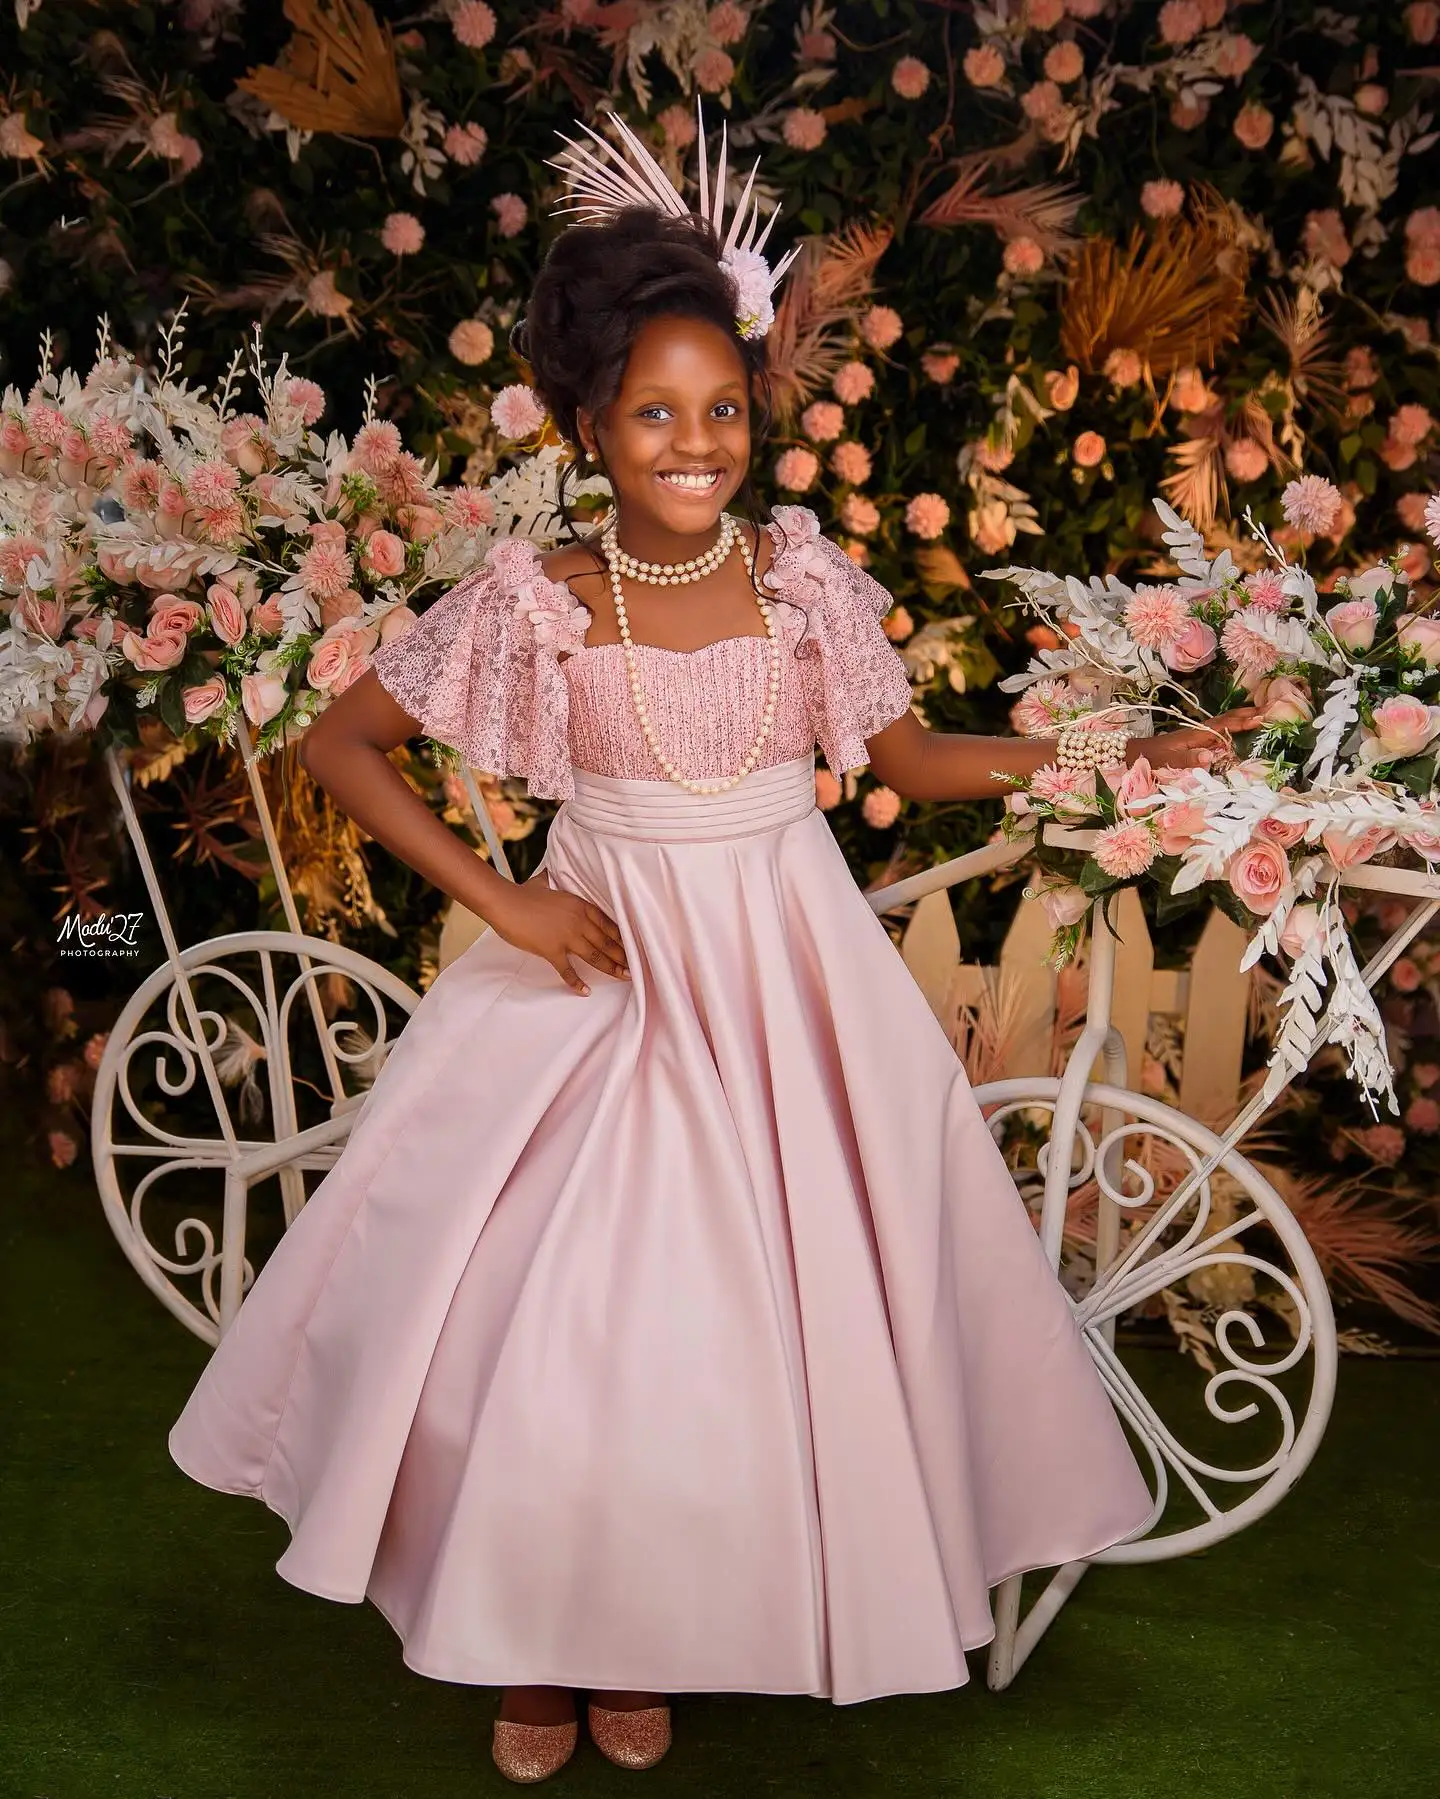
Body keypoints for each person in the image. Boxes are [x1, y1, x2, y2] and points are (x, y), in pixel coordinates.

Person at [167, 114, 1258, 1786]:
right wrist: (510, 899)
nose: (695, 443)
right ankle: (534, 1632)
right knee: (568, 1306)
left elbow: (910, 764)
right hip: (598, 971)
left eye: (723, 412)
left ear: (757, 419)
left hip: (788, 973)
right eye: (657, 415)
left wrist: (1111, 753)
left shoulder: (805, 581)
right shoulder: (536, 594)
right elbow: (341, 743)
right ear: (588, 423)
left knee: (750, 1317)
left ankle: (667, 1624)